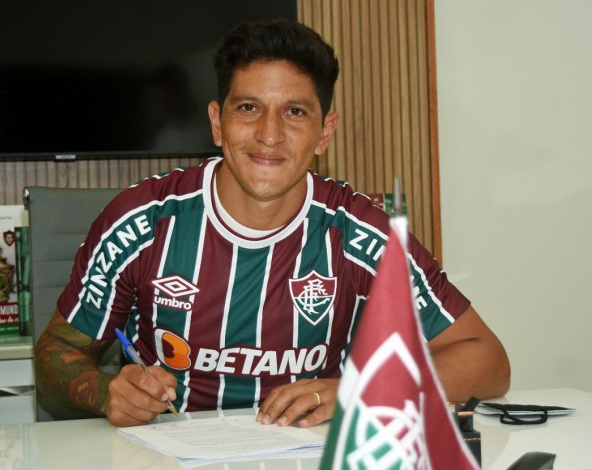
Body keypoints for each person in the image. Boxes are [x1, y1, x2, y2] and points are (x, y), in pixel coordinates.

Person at [34, 17, 510, 429]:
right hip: (165, 451)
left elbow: (488, 361)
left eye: (295, 112)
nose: (269, 134)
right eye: (249, 108)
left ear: (325, 133)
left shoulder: (362, 233)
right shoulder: (141, 220)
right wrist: (107, 393)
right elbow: (55, 352)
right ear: (217, 123)